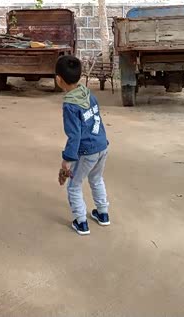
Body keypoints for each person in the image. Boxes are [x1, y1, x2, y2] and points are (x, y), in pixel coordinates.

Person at [55, 55, 110, 236]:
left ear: (59, 79)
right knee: (96, 179)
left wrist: (67, 160)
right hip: (102, 145)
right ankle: (103, 214)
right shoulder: (88, 94)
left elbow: (74, 136)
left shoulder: (70, 106)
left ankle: (81, 222)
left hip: (87, 151)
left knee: (74, 186)